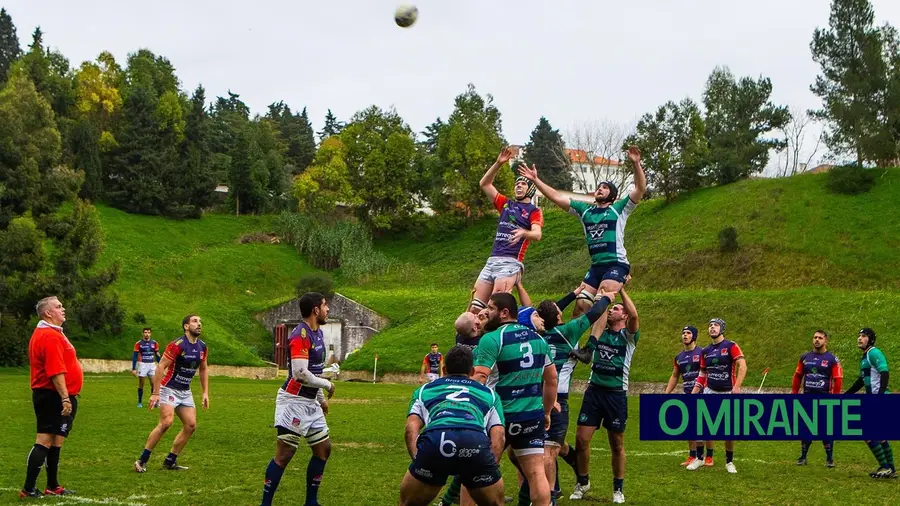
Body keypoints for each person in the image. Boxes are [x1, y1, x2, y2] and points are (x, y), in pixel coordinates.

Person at [517, 146, 646, 317]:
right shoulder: (585, 210)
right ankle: (573, 344)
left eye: (605, 187)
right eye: (598, 187)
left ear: (613, 196)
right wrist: (536, 179)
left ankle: (594, 343)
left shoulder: (619, 209)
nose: (600, 189)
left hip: (615, 264)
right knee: (581, 305)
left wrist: (636, 163)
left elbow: (640, 189)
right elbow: (556, 197)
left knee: (601, 300)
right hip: (596, 266)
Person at [523, 287, 615, 503]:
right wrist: (606, 298)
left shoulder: (537, 332)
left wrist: (574, 294)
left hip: (535, 395)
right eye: (559, 310)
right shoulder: (569, 331)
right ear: (557, 316)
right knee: (548, 451)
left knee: (546, 447)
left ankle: (562, 472)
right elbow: (593, 314)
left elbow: (549, 311)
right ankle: (551, 496)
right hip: (557, 398)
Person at [473, 293, 558, 506]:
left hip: (499, 419)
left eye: (491, 308)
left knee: (478, 472)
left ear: (504, 313)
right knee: (537, 473)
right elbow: (552, 379)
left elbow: (480, 378)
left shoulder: (492, 339)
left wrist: (470, 411)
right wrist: (546, 411)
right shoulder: (538, 339)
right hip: (531, 416)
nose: (486, 312)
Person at [399, 346, 507, 506]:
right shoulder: (489, 394)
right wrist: (488, 467)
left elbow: (410, 429)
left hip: (436, 441)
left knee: (408, 503)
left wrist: (418, 460)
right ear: (472, 371)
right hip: (474, 442)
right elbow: (498, 436)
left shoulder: (424, 390)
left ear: (444, 369)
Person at [261, 292, 337, 506]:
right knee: (285, 454)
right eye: (324, 305)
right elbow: (300, 374)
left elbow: (315, 370)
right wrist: (328, 385)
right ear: (315, 309)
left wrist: (321, 398)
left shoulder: (318, 334)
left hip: (310, 401)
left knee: (323, 450)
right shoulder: (300, 335)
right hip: (293, 401)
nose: (327, 309)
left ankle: (311, 502)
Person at [569, 285, 640, 504]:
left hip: (616, 395)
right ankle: (583, 482)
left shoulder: (628, 337)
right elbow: (596, 313)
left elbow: (635, 315)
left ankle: (618, 488)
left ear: (624, 315)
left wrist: (622, 290)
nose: (611, 311)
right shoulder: (598, 333)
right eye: (611, 309)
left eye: (616, 309)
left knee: (616, 443)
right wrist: (604, 297)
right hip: (594, 392)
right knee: (581, 440)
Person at [20, 296, 83, 498]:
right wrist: (65, 398)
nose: (63, 309)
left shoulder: (54, 333)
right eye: (58, 306)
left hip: (59, 395)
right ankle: (28, 488)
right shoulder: (48, 335)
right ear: (48, 313)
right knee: (44, 440)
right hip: (51, 396)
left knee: (57, 440)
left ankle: (52, 486)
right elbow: (55, 371)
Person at [469, 147, 544, 315]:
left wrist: (524, 233)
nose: (518, 186)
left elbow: (537, 234)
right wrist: (498, 163)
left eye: (523, 183)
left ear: (531, 189)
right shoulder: (505, 204)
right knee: (475, 308)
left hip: (510, 263)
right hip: (492, 260)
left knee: (494, 307)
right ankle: (471, 340)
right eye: (516, 183)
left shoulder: (534, 211)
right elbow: (484, 184)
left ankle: (500, 338)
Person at [134, 314, 209, 473]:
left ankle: (170, 461)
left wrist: (205, 393)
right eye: (195, 321)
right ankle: (142, 460)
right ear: (186, 327)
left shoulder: (202, 346)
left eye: (200, 322)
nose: (199, 324)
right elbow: (161, 367)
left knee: (190, 425)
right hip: (168, 388)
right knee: (166, 422)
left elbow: (203, 369)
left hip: (185, 391)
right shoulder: (177, 345)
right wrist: (155, 393)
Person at [687, 318, 746, 474]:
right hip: (709, 391)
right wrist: (693, 393)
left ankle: (729, 461)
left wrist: (737, 387)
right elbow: (702, 374)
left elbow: (742, 365)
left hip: (727, 392)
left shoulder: (731, 346)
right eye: (710, 325)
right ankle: (699, 458)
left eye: (716, 325)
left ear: (722, 328)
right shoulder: (705, 351)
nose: (712, 327)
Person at [844, 328, 895, 478]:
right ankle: (889, 468)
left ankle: (886, 467)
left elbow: (885, 373)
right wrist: (847, 395)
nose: (860, 338)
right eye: (859, 336)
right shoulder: (865, 357)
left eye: (864, 336)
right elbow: (861, 380)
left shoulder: (873, 353)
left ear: (871, 339)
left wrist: (879, 397)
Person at [791, 329, 842, 467]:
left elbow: (838, 379)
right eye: (815, 337)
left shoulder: (832, 359)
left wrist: (835, 398)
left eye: (820, 338)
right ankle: (803, 457)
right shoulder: (805, 357)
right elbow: (797, 376)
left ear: (826, 341)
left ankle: (829, 459)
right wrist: (794, 394)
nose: (817, 340)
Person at [663, 326, 705, 467]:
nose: (685, 335)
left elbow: (707, 372)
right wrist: (666, 394)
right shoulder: (679, 357)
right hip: (687, 393)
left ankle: (705, 456)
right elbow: (675, 376)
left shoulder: (702, 353)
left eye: (688, 333)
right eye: (683, 333)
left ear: (694, 336)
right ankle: (693, 455)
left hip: (702, 393)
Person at [132, 327, 161, 408]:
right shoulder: (139, 343)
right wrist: (134, 368)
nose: (147, 334)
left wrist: (162, 365)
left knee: (153, 384)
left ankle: (154, 402)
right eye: (145, 332)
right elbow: (134, 357)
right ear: (143, 333)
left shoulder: (154, 343)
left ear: (150, 333)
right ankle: (140, 402)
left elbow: (158, 355)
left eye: (148, 332)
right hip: (143, 365)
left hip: (152, 365)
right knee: (141, 384)